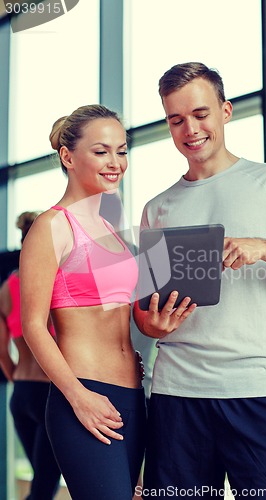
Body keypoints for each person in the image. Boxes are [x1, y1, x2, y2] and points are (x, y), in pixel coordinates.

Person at [133, 62, 266, 499]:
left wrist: (265, 248)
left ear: (225, 111)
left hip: (255, 389)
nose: (190, 129)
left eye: (201, 113)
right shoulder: (157, 207)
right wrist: (152, 325)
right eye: (176, 120)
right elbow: (143, 311)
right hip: (176, 395)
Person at [19, 104, 147, 500]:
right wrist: (79, 397)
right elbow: (33, 326)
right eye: (101, 151)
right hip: (85, 396)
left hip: (132, 396)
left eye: (122, 151)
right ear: (68, 157)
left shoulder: (112, 230)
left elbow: (120, 317)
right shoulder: (51, 225)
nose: (115, 162)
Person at [0, 211, 61, 500]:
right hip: (49, 393)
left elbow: (1, 353)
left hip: (21, 394)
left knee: (41, 481)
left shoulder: (5, 290)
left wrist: (19, 382)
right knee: (44, 486)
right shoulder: (50, 281)